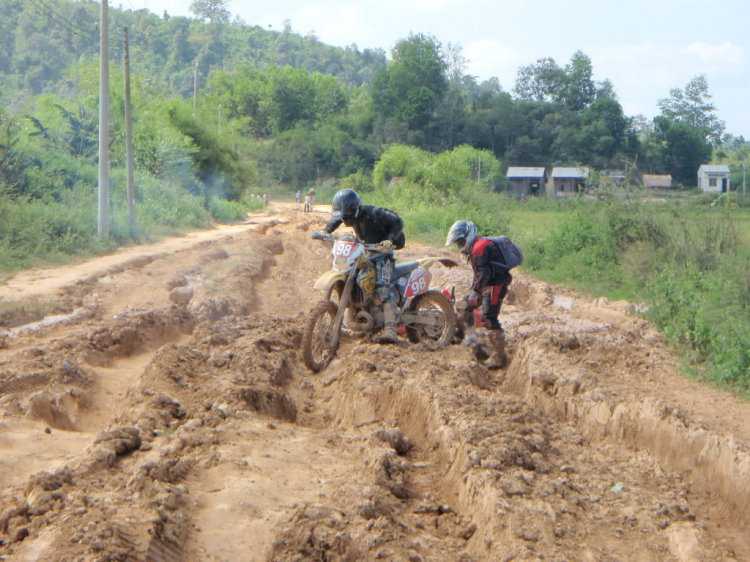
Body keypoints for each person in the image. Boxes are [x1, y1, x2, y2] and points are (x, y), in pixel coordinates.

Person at [323, 189, 405, 343]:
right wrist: (326, 230)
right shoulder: (347, 214)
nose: (345, 218)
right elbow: (337, 219)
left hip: (383, 254)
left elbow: (398, 222)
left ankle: (390, 330)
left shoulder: (375, 213)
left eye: (346, 215)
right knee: (354, 280)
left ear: (354, 209)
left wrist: (390, 239)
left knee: (382, 288)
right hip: (366, 253)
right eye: (343, 215)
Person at [445, 220, 512, 368]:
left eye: (460, 242)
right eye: (458, 243)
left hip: (496, 284)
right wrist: (473, 291)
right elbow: (480, 274)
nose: (459, 246)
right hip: (486, 284)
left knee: (488, 319)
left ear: (468, 237)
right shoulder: (476, 247)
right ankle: (471, 337)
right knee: (463, 306)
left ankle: (499, 357)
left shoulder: (480, 247)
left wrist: (475, 291)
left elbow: (483, 272)